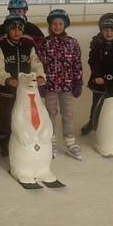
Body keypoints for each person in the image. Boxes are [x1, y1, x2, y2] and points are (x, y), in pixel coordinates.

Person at [0, 14, 45, 157]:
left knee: (25, 114)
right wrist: (7, 79)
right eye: (13, 29)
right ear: (7, 30)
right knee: (7, 116)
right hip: (8, 90)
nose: (17, 32)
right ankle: (4, 140)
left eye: (20, 29)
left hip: (25, 91)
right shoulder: (0, 47)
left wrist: (40, 75)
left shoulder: (29, 46)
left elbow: (36, 63)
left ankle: (23, 137)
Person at [36, 9, 83, 161]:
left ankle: (70, 142)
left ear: (65, 25)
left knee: (67, 113)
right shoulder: (44, 43)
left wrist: (78, 82)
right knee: (50, 113)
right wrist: (41, 82)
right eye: (54, 24)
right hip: (50, 85)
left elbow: (77, 63)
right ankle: (52, 140)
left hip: (67, 86)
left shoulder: (72, 43)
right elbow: (40, 64)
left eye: (60, 23)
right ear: (50, 25)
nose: (57, 26)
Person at [80, 13, 113, 137]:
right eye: (105, 30)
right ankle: (92, 122)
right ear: (101, 30)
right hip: (99, 79)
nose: (108, 33)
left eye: (111, 30)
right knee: (97, 103)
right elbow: (93, 61)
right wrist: (97, 75)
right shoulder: (96, 43)